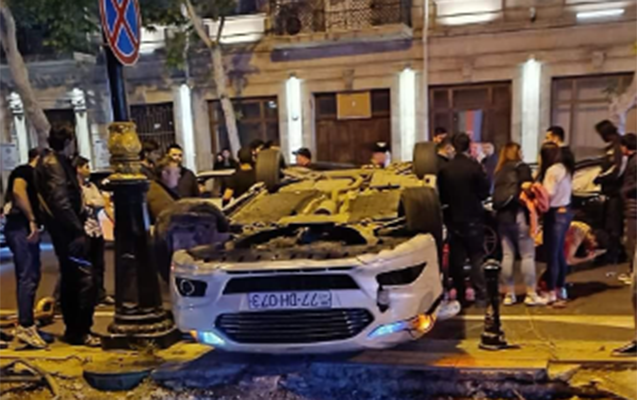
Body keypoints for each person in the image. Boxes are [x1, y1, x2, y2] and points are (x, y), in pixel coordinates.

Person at [36, 124, 98, 347]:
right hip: (67, 232)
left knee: (73, 279)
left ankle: (76, 329)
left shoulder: (54, 161)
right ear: (69, 141)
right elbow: (60, 201)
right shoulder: (54, 164)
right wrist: (77, 230)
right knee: (85, 279)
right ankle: (79, 330)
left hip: (65, 230)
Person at [438, 133, 490, 307]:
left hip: (453, 218)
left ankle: (461, 295)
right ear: (469, 146)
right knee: (476, 257)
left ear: (453, 146)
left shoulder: (446, 169)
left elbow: (442, 196)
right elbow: (484, 192)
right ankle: (481, 295)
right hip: (474, 217)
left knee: (456, 259)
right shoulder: (474, 167)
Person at [492, 143, 546, 307]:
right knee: (527, 255)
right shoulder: (521, 167)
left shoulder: (499, 171)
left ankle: (509, 294)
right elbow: (527, 186)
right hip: (519, 215)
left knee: (507, 255)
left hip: (502, 217)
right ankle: (531, 294)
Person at [4, 149, 47, 348]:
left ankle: (27, 322)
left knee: (32, 274)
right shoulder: (24, 171)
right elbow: (18, 190)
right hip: (20, 227)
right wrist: (31, 219)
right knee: (28, 274)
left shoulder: (33, 175)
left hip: (22, 227)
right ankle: (26, 326)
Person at [74, 157, 115, 307]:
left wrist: (90, 202)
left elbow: (101, 202)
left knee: (99, 264)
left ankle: (100, 294)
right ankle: (85, 295)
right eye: (86, 167)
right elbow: (79, 204)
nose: (88, 170)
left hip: (96, 230)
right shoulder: (74, 187)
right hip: (83, 230)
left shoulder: (90, 186)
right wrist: (89, 202)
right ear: (78, 169)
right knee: (84, 265)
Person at [538, 142, 573, 307]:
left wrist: (536, 191)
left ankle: (551, 291)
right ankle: (561, 288)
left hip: (554, 214)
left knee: (552, 254)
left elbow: (548, 193)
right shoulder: (565, 168)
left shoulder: (552, 171)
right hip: (565, 211)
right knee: (559, 253)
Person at [594, 120, 625, 265]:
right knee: (610, 224)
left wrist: (600, 178)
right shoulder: (613, 146)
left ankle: (613, 254)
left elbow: (617, 169)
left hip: (615, 193)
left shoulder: (618, 147)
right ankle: (613, 252)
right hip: (612, 192)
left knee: (613, 225)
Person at [620, 133, 637, 281]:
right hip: (632, 205)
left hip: (634, 206)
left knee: (631, 241)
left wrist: (625, 190)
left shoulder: (634, 161)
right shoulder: (632, 160)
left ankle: (633, 272)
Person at [147, 157, 181, 223]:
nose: (179, 176)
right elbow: (167, 221)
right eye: (176, 173)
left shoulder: (161, 188)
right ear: (164, 174)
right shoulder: (157, 194)